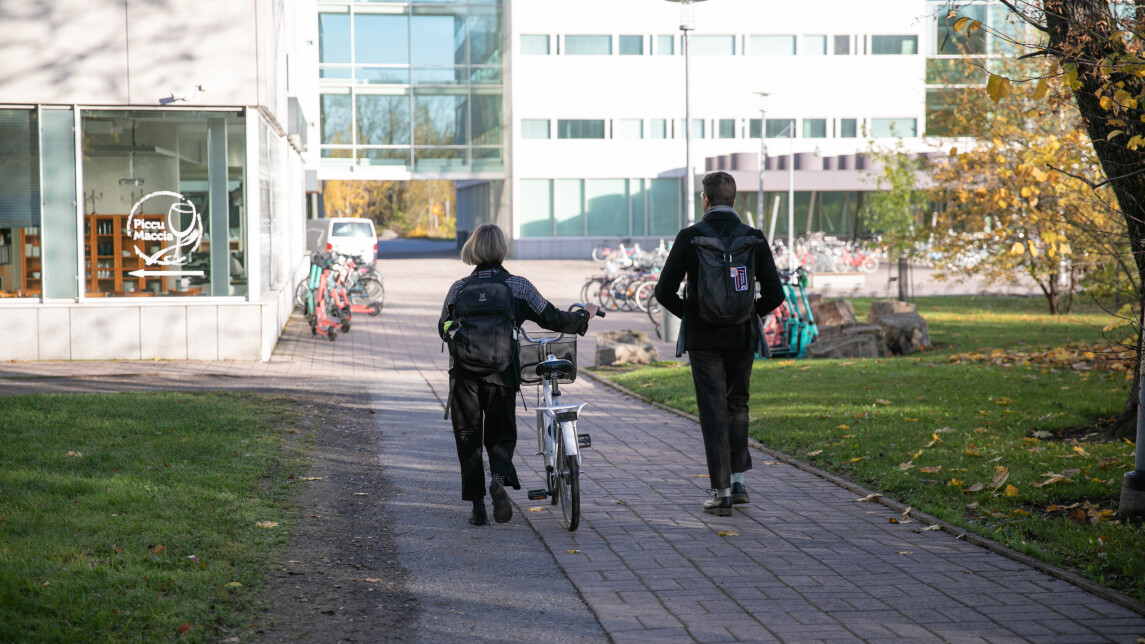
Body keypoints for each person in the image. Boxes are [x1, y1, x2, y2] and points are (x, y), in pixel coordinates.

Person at [439, 223, 600, 526]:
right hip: (501, 374)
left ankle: (477, 507)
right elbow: (553, 318)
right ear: (502, 249)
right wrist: (583, 316)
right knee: (501, 434)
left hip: (464, 375)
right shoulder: (518, 287)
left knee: (468, 437)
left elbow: (443, 327)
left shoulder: (458, 288)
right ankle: (498, 480)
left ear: (473, 249)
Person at [654, 171, 785, 516]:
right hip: (743, 336)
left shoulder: (690, 236)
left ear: (706, 199)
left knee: (713, 409)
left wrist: (693, 315)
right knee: (737, 404)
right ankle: (738, 483)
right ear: (734, 200)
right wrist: (747, 313)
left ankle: (721, 492)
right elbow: (775, 293)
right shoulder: (753, 237)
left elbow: (663, 292)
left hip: (704, 338)